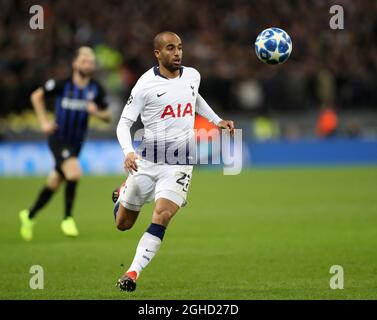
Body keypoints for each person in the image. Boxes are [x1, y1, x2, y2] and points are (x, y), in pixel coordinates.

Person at [114, 31, 234, 292]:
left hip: (180, 161)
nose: (177, 52)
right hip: (147, 161)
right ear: (157, 53)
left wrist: (217, 120)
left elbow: (194, 98)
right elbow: (123, 124)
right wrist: (128, 152)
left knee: (163, 214)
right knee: (123, 224)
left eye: (179, 47)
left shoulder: (193, 76)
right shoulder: (145, 85)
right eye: (170, 48)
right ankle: (124, 191)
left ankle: (132, 272)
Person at [19, 47, 111, 241]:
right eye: (84, 59)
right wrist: (44, 121)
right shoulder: (62, 84)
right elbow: (36, 96)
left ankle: (29, 215)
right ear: (75, 63)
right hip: (58, 138)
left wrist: (97, 112)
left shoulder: (96, 89)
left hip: (77, 143)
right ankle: (67, 218)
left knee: (55, 181)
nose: (88, 63)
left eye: (91, 60)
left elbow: (108, 116)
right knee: (74, 173)